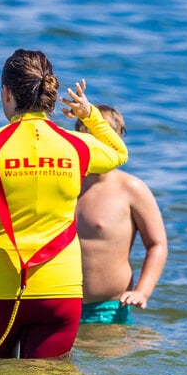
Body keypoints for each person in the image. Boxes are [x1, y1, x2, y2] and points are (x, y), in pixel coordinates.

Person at [0, 49, 129, 359]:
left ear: (7, 93)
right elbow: (119, 153)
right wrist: (90, 115)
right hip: (60, 294)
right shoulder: (76, 146)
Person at [74, 105, 168, 324]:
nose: (94, 144)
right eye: (86, 136)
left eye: (100, 136)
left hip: (110, 309)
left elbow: (157, 244)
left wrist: (142, 291)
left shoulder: (131, 188)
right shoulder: (65, 183)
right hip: (59, 303)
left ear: (116, 140)